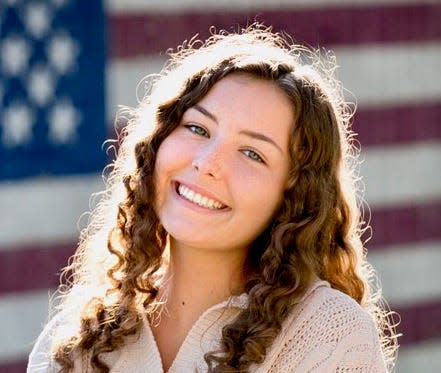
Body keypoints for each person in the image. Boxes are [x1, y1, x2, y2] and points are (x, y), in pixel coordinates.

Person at [28, 24, 398, 372]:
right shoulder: (75, 336)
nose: (207, 164)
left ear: (294, 196)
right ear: (158, 141)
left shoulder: (330, 335)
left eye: (252, 153)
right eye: (197, 128)